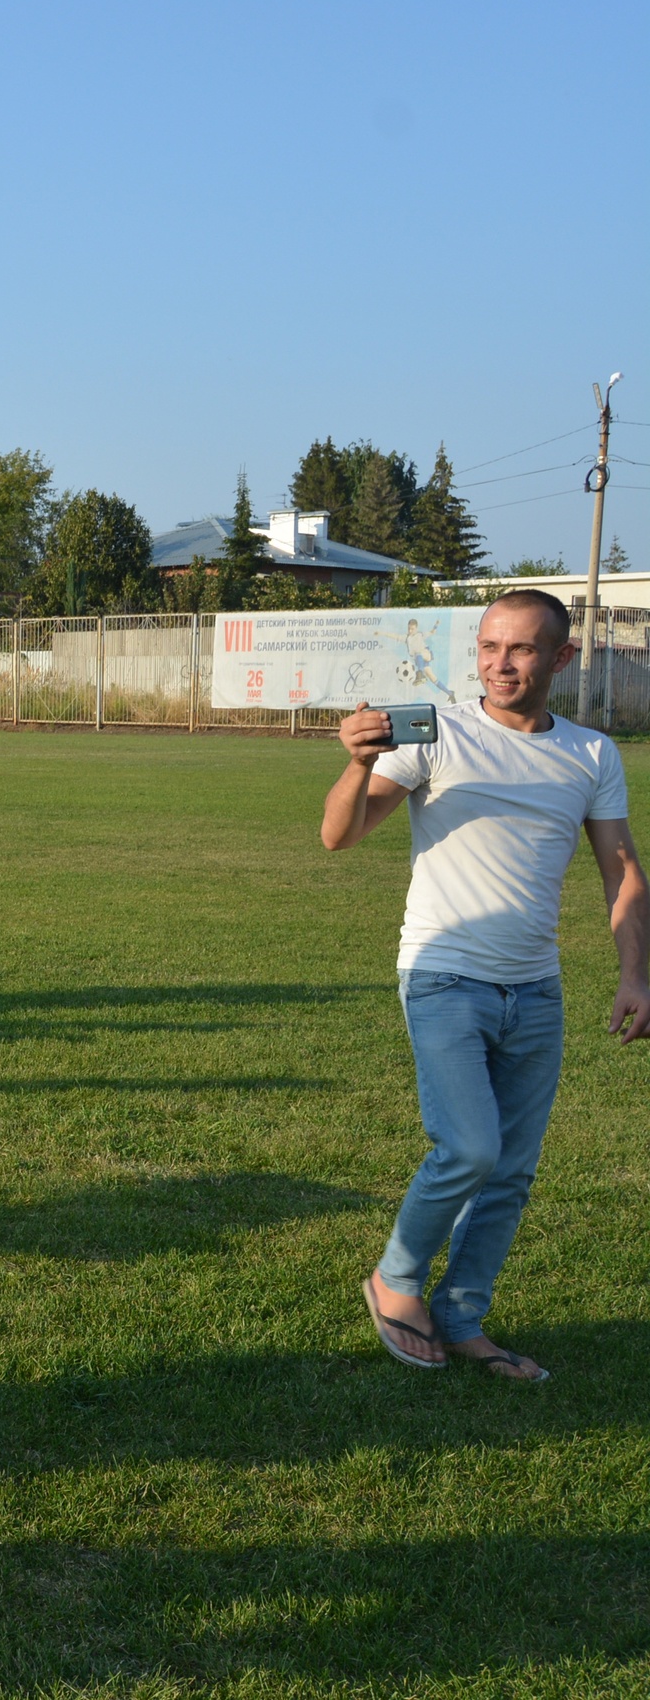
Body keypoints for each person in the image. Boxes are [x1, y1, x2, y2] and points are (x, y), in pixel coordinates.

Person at [326, 589, 647, 1381]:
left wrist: (637, 972)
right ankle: (396, 1280)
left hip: (537, 991)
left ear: (563, 658)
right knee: (468, 1146)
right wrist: (358, 762)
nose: (501, 664)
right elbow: (340, 834)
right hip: (442, 976)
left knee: (512, 1170)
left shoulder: (592, 753)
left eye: (523, 649)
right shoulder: (434, 732)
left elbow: (622, 870)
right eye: (488, 647)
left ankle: (464, 1316)